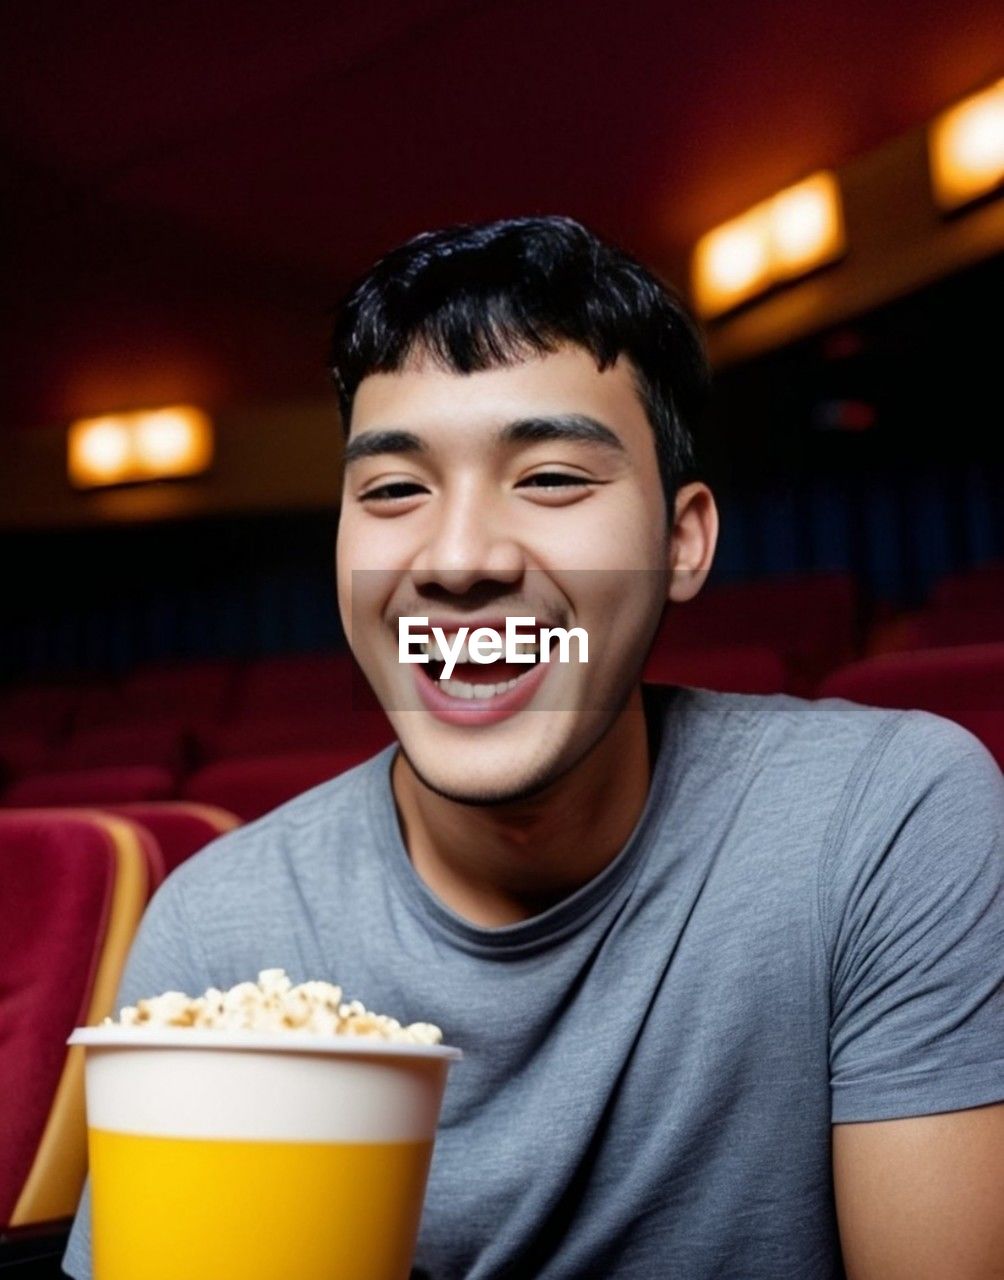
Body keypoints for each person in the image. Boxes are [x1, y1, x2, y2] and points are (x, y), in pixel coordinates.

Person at [63, 215, 1003, 1279]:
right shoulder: (222, 922)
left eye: (552, 477)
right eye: (392, 491)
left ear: (681, 541)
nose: (458, 558)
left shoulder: (883, 821)